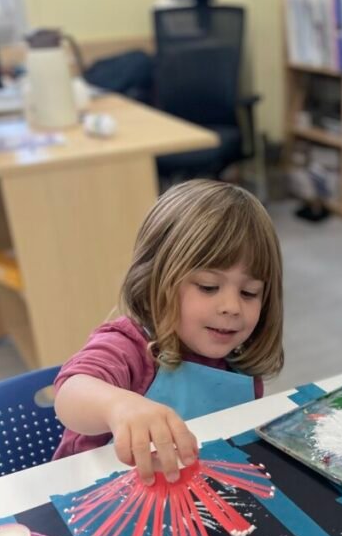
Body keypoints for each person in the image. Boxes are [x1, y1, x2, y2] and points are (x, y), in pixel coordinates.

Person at [53, 179, 284, 485]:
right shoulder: (128, 345)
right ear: (155, 279)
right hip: (98, 498)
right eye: (208, 287)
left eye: (249, 292)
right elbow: (70, 393)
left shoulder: (238, 362)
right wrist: (119, 406)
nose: (232, 307)